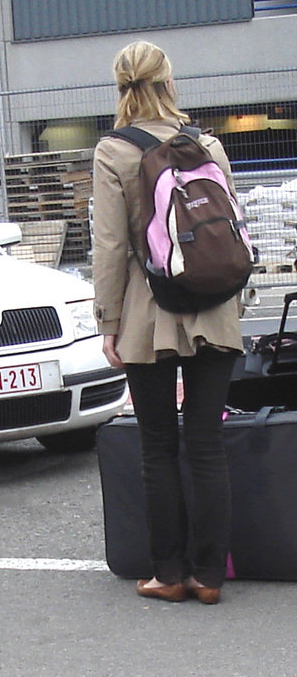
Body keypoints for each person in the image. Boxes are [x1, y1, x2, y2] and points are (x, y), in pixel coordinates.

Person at [92, 41, 243, 605]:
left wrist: (107, 320)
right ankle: (209, 578)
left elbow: (109, 245)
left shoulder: (114, 150)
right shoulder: (206, 143)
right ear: (169, 81)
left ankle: (169, 574)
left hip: (148, 312)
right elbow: (232, 224)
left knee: (157, 444)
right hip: (216, 307)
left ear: (120, 85)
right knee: (207, 444)